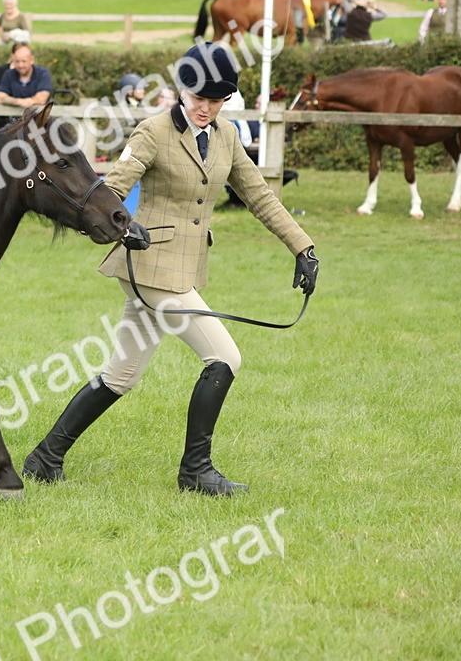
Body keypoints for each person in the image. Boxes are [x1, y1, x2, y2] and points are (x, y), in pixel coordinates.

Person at [22, 42, 319, 497]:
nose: (206, 108)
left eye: (216, 100)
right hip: (150, 266)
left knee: (122, 374)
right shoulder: (152, 131)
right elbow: (114, 188)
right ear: (182, 90)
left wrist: (303, 247)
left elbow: (259, 195)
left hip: (185, 266)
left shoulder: (226, 136)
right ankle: (196, 471)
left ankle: (45, 458)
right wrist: (125, 228)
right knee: (225, 357)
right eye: (199, 97)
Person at [0, 44, 52, 111]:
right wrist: (18, 101)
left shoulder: (43, 74)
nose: (20, 65)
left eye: (24, 61)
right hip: (14, 119)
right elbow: (1, 97)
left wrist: (31, 101)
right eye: (17, 61)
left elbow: (42, 98)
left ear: (32, 60)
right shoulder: (9, 74)